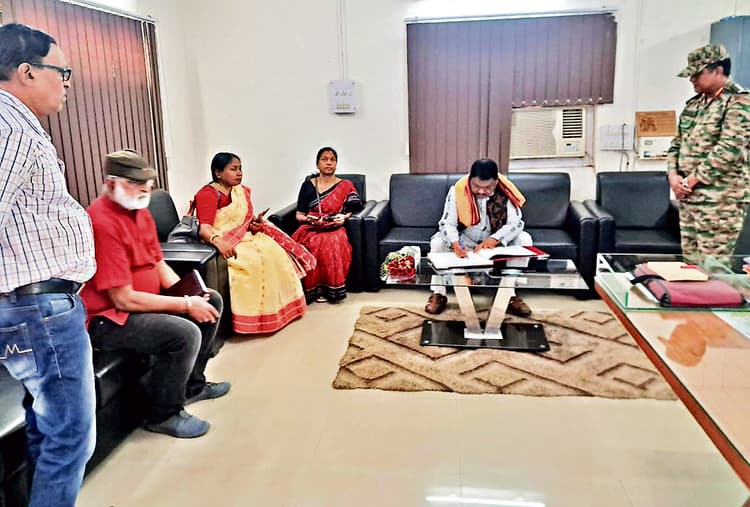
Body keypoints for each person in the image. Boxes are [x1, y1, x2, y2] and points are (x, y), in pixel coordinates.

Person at [0, 23, 96, 507]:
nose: (67, 83)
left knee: (47, 428)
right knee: (70, 436)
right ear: (27, 71)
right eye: (63, 71)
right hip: (38, 310)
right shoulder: (11, 129)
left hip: (33, 307)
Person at [82, 150, 230, 439]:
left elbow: (158, 263)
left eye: (146, 184)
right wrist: (184, 305)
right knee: (184, 333)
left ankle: (192, 386)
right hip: (110, 318)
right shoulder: (101, 222)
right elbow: (123, 299)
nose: (144, 191)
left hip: (141, 303)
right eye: (135, 184)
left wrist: (190, 293)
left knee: (211, 299)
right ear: (111, 184)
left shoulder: (139, 212)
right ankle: (164, 414)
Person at [194, 152, 315, 334]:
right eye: (233, 169)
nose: (239, 173)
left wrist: (254, 225)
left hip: (246, 236)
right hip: (225, 241)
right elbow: (204, 229)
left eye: (240, 168)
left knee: (274, 252)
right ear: (218, 173)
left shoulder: (240, 191)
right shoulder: (208, 194)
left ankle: (281, 312)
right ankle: (257, 319)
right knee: (255, 261)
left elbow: (244, 221)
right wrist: (218, 241)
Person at [667, 43, 750, 257]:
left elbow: (729, 150)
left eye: (697, 73)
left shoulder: (739, 102)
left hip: (720, 201)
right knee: (690, 264)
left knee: (713, 266)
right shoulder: (694, 105)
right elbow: (676, 144)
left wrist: (690, 181)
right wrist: (673, 176)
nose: (692, 79)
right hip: (689, 198)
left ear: (718, 70)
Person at [424, 158, 533, 317]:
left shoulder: (506, 191)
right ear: (470, 180)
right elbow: (447, 223)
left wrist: (495, 239)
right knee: (438, 242)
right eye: (476, 186)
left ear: (496, 183)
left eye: (487, 187)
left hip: (495, 243)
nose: (481, 191)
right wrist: (455, 243)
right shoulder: (458, 190)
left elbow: (516, 223)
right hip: (465, 241)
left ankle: (510, 295)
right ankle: (438, 293)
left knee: (524, 239)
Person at [292, 146, 363, 303]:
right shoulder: (308, 185)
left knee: (333, 242)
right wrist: (310, 219)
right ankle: (312, 290)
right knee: (313, 242)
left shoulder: (346, 185)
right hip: (311, 227)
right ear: (317, 164)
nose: (329, 163)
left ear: (336, 164)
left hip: (334, 227)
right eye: (324, 159)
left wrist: (344, 217)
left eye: (332, 160)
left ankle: (329, 289)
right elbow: (299, 215)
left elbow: (353, 208)